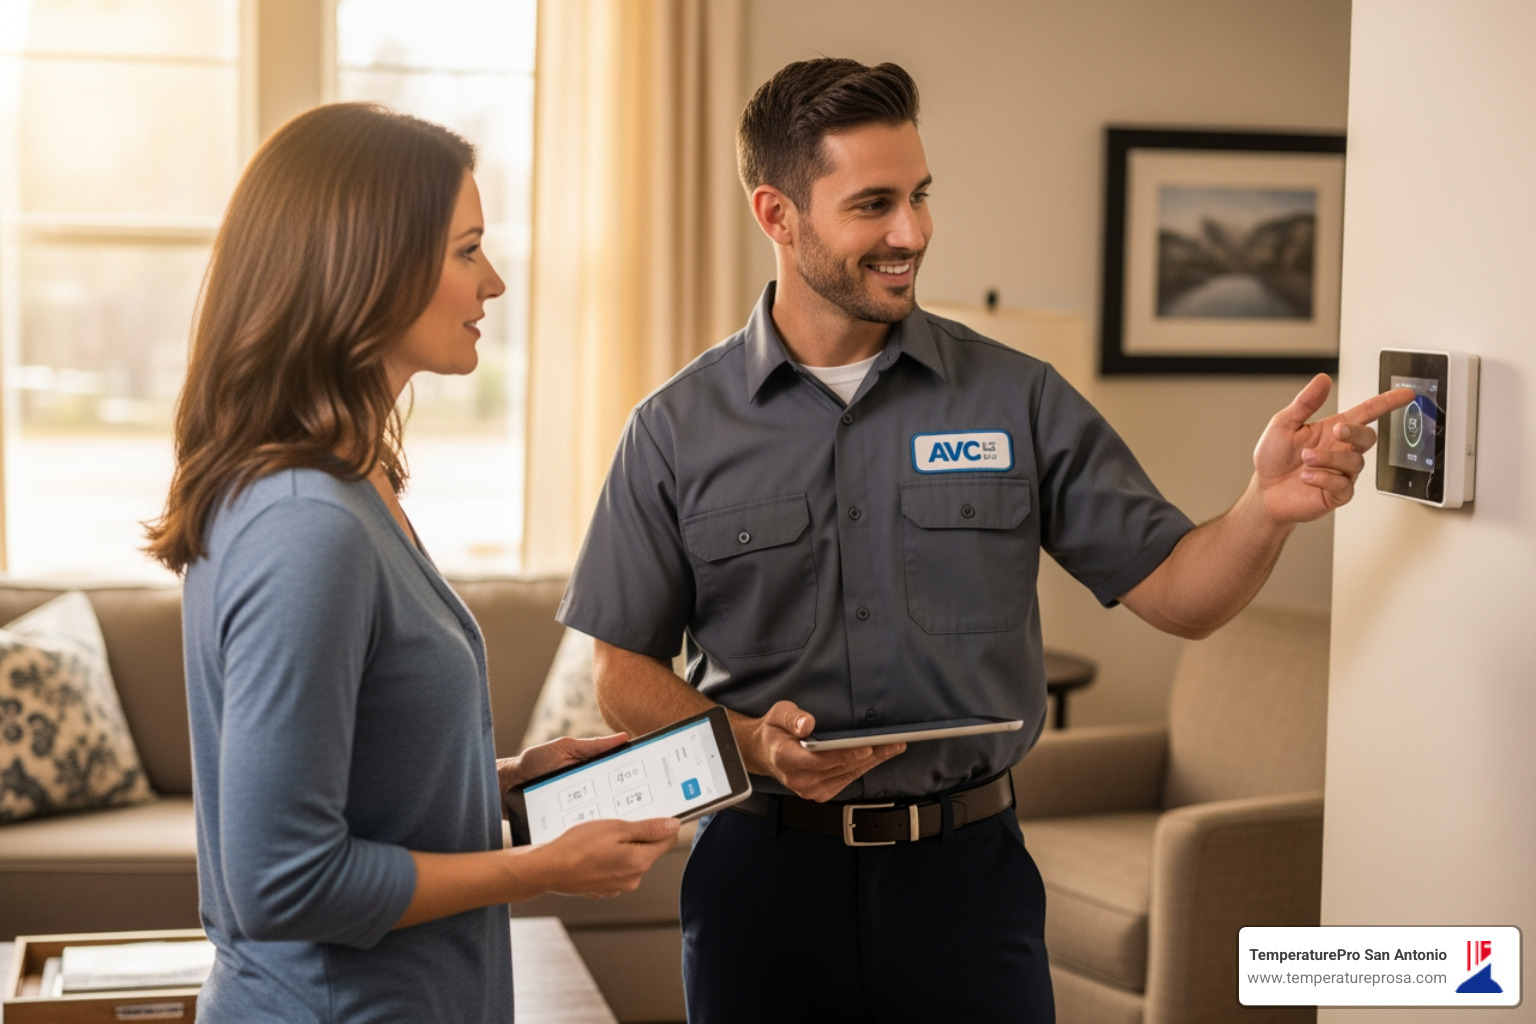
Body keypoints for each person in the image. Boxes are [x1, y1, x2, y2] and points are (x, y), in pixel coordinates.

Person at [556, 59, 1414, 1023]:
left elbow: (1181, 595)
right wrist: (750, 743)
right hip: (764, 884)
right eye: (873, 204)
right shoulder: (673, 429)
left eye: (920, 196)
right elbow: (621, 667)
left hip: (967, 888)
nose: (911, 233)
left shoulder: (1019, 397)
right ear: (777, 214)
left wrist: (1264, 508)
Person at [144, 103, 679, 1023]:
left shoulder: (355, 486)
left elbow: (360, 789)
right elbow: (285, 881)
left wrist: (504, 781)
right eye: (468, 251)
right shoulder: (306, 522)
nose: (496, 282)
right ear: (371, 269)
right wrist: (540, 868)